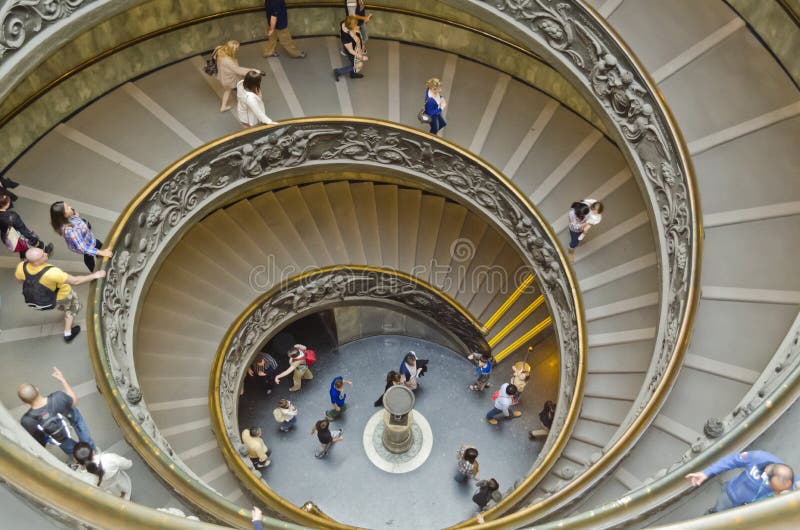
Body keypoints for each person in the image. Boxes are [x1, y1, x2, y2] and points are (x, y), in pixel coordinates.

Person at [15, 247, 105, 342]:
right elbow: (75, 281)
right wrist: (95, 275)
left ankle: (62, 308)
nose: (46, 254)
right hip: (63, 295)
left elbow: (19, 280)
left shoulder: (21, 266)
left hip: (49, 298)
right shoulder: (52, 272)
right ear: (36, 262)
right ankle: (67, 333)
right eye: (43, 255)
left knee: (61, 305)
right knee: (71, 308)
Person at [18, 367, 97, 457]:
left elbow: (38, 439)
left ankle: (81, 458)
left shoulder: (27, 420)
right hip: (70, 419)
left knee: (63, 442)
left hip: (57, 435)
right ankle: (92, 451)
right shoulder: (58, 397)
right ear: (37, 389)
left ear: (24, 402)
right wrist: (63, 380)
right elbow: (74, 401)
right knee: (76, 418)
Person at [685, 450, 796, 514]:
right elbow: (732, 460)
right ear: (766, 474)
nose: (776, 493)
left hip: (752, 512)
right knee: (716, 512)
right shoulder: (757, 457)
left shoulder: (788, 482)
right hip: (731, 497)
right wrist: (706, 473)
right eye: (773, 488)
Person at [50, 201, 112, 272]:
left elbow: (74, 218)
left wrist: (75, 216)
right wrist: (102, 252)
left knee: (99, 247)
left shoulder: (68, 218)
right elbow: (83, 248)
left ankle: (102, 261)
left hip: (91, 240)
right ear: (64, 215)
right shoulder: (70, 231)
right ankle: (96, 273)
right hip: (86, 246)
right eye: (67, 208)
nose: (70, 207)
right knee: (90, 259)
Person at [212, 40, 262, 112]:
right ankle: (242, 106)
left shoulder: (220, 50)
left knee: (227, 90)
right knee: (240, 91)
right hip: (231, 80)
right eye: (237, 49)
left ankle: (223, 106)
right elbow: (238, 70)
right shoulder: (228, 61)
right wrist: (253, 70)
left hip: (223, 78)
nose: (238, 50)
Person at [0, 192, 53, 259]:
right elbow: (23, 230)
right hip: (17, 235)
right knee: (33, 243)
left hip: (6, 236)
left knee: (21, 247)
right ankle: (44, 250)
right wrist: (34, 240)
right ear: (6, 205)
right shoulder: (12, 216)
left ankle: (23, 257)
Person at [333, 16, 367, 81]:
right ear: (351, 27)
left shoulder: (344, 23)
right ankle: (338, 71)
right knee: (358, 65)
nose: (357, 26)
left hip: (356, 47)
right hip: (353, 50)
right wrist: (361, 57)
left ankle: (353, 74)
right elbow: (350, 50)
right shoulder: (346, 37)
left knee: (354, 63)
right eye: (355, 25)